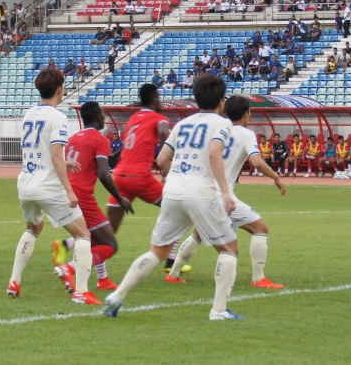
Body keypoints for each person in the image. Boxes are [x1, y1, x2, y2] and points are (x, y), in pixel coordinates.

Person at [101, 74, 244, 321]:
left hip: (173, 192)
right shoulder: (222, 124)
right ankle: (218, 310)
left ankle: (118, 295)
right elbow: (213, 154)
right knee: (229, 249)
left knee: (157, 251)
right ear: (221, 101)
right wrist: (225, 192)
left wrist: (173, 177)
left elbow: (161, 159)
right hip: (200, 193)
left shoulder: (183, 124)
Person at [165, 95, 287, 289]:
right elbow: (256, 161)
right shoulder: (246, 134)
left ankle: (173, 273)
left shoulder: (216, 129)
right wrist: (276, 177)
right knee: (261, 229)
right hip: (222, 195)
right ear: (247, 113)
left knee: (199, 233)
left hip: (201, 192)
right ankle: (258, 278)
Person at [6, 69, 99, 305]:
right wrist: (68, 189)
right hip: (47, 186)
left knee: (33, 228)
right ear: (60, 89)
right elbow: (56, 156)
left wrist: (61, 161)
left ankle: (14, 281)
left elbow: (37, 150)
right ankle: (81, 291)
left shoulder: (29, 114)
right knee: (83, 233)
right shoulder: (58, 118)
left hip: (26, 183)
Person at [52, 101, 134, 292]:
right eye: (102, 114)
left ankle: (103, 280)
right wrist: (120, 198)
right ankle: (69, 268)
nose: (104, 117)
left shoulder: (73, 138)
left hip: (66, 192)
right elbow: (104, 173)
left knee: (91, 238)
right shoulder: (100, 140)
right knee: (110, 244)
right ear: (98, 118)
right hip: (81, 196)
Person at [106, 84, 174, 257]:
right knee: (177, 207)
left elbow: (136, 149)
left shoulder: (133, 118)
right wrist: (164, 149)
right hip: (139, 178)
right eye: (158, 97)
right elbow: (162, 129)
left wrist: (152, 161)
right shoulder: (159, 118)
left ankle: (68, 245)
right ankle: (170, 260)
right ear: (153, 99)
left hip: (120, 176)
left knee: (109, 228)